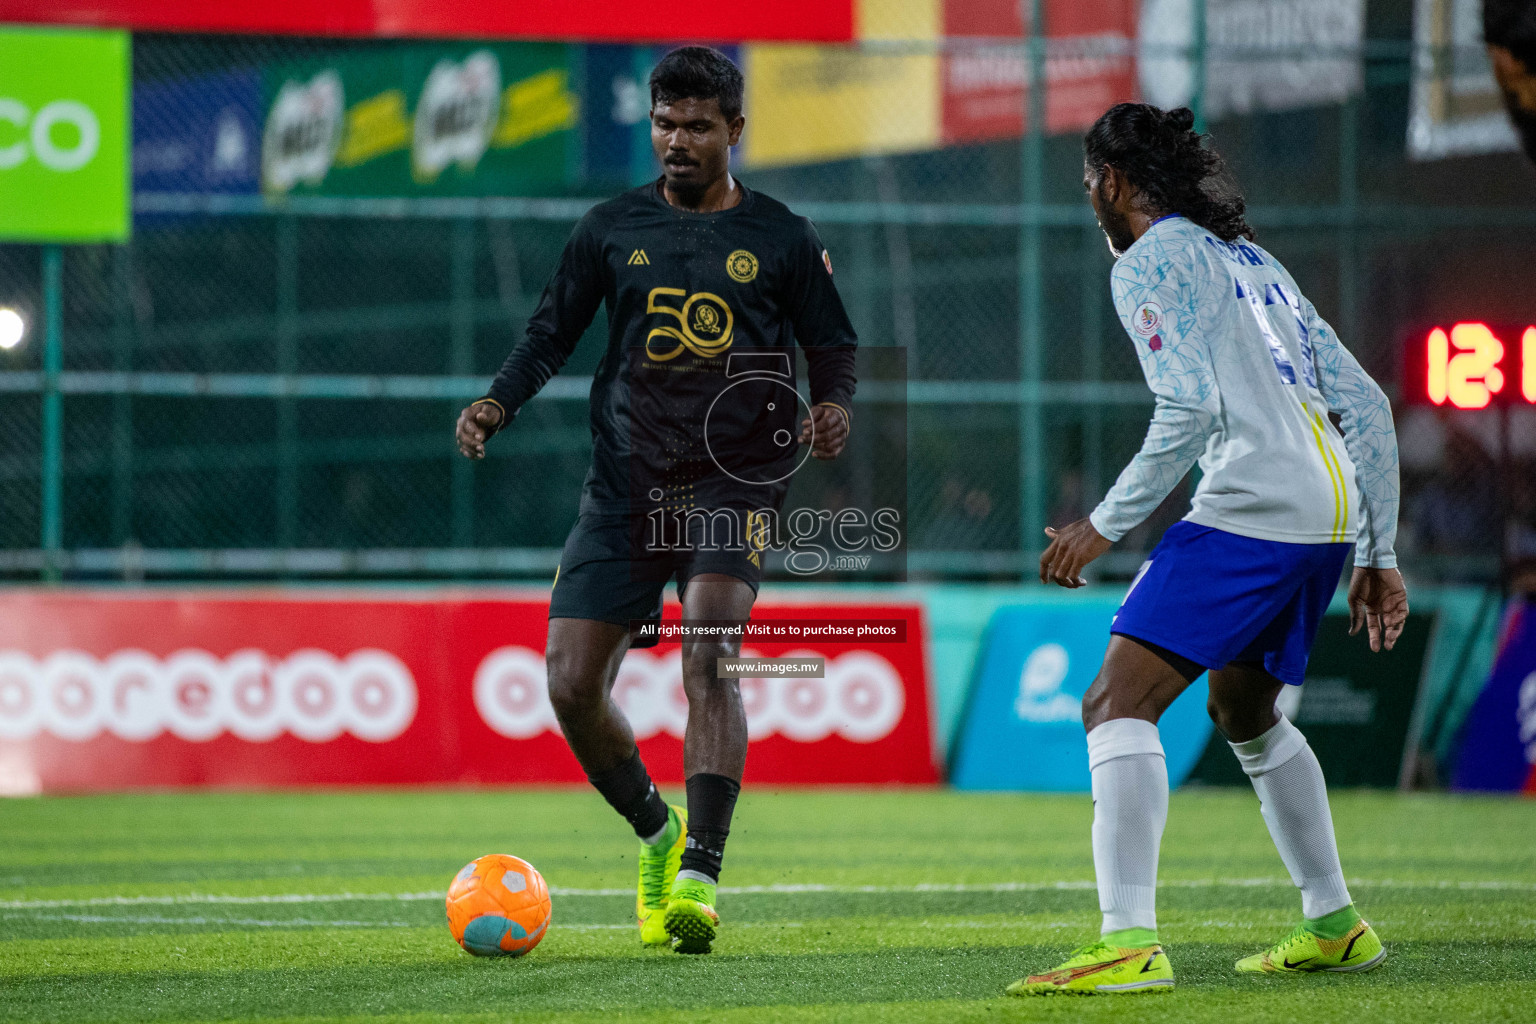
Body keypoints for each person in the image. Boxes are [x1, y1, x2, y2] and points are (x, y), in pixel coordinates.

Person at [455, 46, 856, 955]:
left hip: (736, 474)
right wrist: (496, 401)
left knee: (710, 651)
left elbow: (833, 343)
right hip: (626, 485)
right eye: (665, 123)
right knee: (568, 683)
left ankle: (701, 874)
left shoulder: (783, 237)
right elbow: (550, 332)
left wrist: (831, 406)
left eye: (697, 126)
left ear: (735, 131)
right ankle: (657, 831)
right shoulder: (609, 228)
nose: (677, 140)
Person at [1010, 102, 1409, 996]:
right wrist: (1377, 552)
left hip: (1254, 505)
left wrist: (1103, 523)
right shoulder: (1252, 260)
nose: (1090, 201)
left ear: (1113, 182)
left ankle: (1127, 942)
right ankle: (1335, 923)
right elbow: (1370, 405)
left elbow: (1186, 408)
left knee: (1114, 702)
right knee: (1246, 713)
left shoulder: (1152, 260)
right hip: (1328, 510)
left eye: (1089, 184)